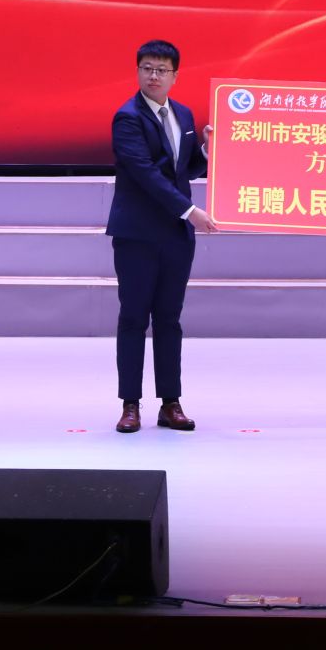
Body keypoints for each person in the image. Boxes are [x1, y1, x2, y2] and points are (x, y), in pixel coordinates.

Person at [107, 39, 216, 433]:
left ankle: (171, 403)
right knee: (134, 317)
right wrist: (190, 211)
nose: (153, 76)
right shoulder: (127, 118)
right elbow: (146, 175)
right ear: (138, 71)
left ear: (174, 76)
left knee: (169, 318)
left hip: (175, 236)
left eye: (161, 70)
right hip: (137, 235)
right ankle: (130, 404)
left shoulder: (183, 114)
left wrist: (207, 151)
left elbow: (183, 170)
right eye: (147, 68)